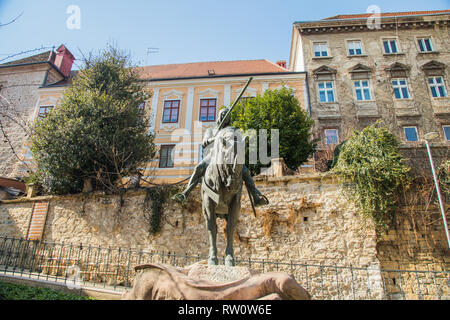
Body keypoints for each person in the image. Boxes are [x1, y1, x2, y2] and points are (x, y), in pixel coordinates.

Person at [172, 108, 269, 207]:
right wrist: (215, 138)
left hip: (230, 155)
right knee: (199, 168)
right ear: (219, 117)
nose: (224, 116)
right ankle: (185, 193)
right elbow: (204, 143)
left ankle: (256, 197)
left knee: (245, 172)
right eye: (222, 114)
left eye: (226, 115)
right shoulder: (212, 130)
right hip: (214, 155)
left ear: (229, 118)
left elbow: (238, 142)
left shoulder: (234, 130)